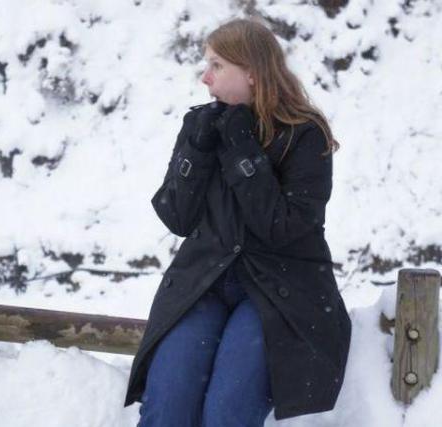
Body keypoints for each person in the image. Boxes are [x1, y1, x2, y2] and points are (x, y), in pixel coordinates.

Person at [124, 19, 352, 426]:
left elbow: (280, 227)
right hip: (205, 283)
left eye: (216, 65)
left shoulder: (305, 136)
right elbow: (177, 217)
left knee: (227, 414)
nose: (204, 77)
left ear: (251, 72)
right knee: (168, 407)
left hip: (277, 290)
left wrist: (242, 148)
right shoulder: (203, 124)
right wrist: (198, 147)